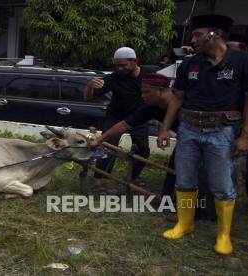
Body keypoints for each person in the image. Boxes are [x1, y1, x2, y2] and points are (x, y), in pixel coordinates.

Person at [157, 14, 248, 255]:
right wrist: (165, 127)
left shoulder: (241, 61)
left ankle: (223, 234)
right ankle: (185, 224)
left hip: (223, 131)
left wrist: (245, 135)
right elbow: (177, 97)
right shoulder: (190, 64)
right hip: (188, 129)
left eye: (198, 34)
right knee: (185, 181)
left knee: (222, 185)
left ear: (215, 34)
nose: (193, 40)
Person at [89, 73, 215, 221]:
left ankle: (199, 211)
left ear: (162, 90)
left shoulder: (187, 103)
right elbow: (125, 124)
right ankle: (166, 199)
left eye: (146, 92)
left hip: (207, 137)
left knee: (200, 174)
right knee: (174, 166)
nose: (142, 96)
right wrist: (100, 140)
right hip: (186, 140)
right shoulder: (151, 107)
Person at [84, 47, 150, 187]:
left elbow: (157, 98)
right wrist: (89, 86)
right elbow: (89, 97)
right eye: (117, 65)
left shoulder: (148, 76)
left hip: (139, 118)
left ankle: (132, 177)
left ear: (134, 61)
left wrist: (157, 119)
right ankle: (98, 178)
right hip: (115, 118)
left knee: (143, 151)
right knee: (107, 147)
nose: (120, 68)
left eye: (123, 65)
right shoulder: (114, 78)